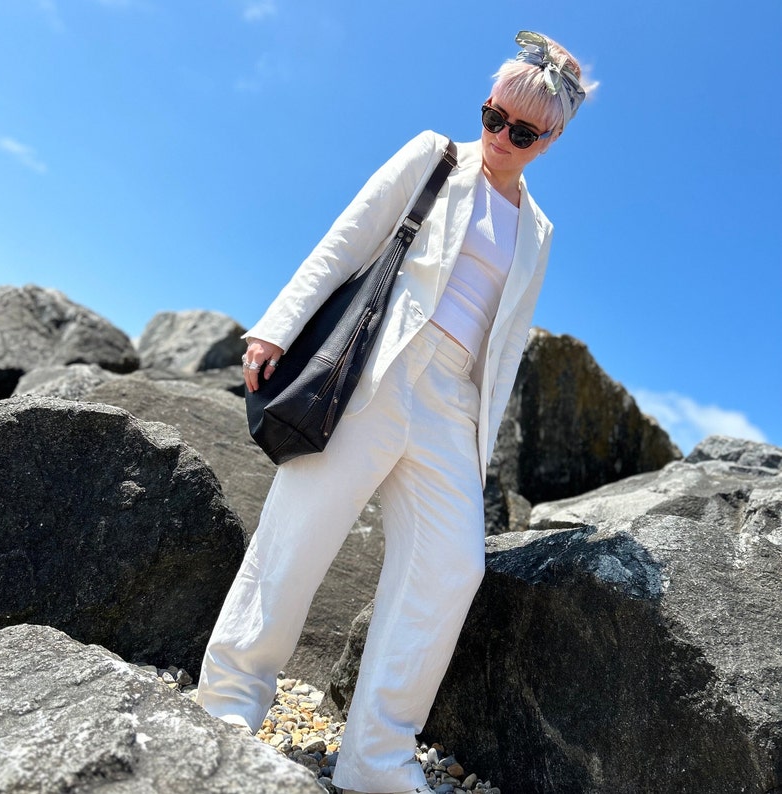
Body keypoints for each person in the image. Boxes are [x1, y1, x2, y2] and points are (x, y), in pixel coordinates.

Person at [197, 30, 594, 794]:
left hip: (453, 404)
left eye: (520, 131)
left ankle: (375, 760)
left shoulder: (538, 232)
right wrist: (277, 324)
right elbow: (348, 238)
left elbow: (503, 342)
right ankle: (228, 707)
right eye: (491, 115)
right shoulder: (435, 157)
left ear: (550, 140)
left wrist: (482, 431)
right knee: (296, 538)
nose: (499, 137)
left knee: (452, 566)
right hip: (374, 371)